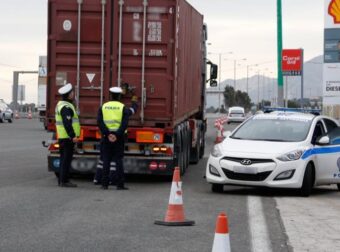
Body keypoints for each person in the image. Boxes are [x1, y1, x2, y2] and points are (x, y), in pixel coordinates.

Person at [97, 87, 138, 190]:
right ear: (120, 96)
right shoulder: (123, 107)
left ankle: (104, 184)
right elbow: (125, 123)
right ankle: (120, 184)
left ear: (110, 95)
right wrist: (116, 135)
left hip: (106, 138)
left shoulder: (103, 107)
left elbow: (100, 122)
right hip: (118, 138)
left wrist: (108, 134)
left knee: (106, 160)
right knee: (118, 160)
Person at [55, 83, 80, 187]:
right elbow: (67, 123)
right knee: (66, 160)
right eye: (72, 92)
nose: (73, 94)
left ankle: (61, 180)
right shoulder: (65, 107)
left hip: (63, 137)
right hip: (67, 137)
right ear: (69, 95)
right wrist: (72, 135)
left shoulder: (61, 104)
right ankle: (64, 181)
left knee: (63, 159)